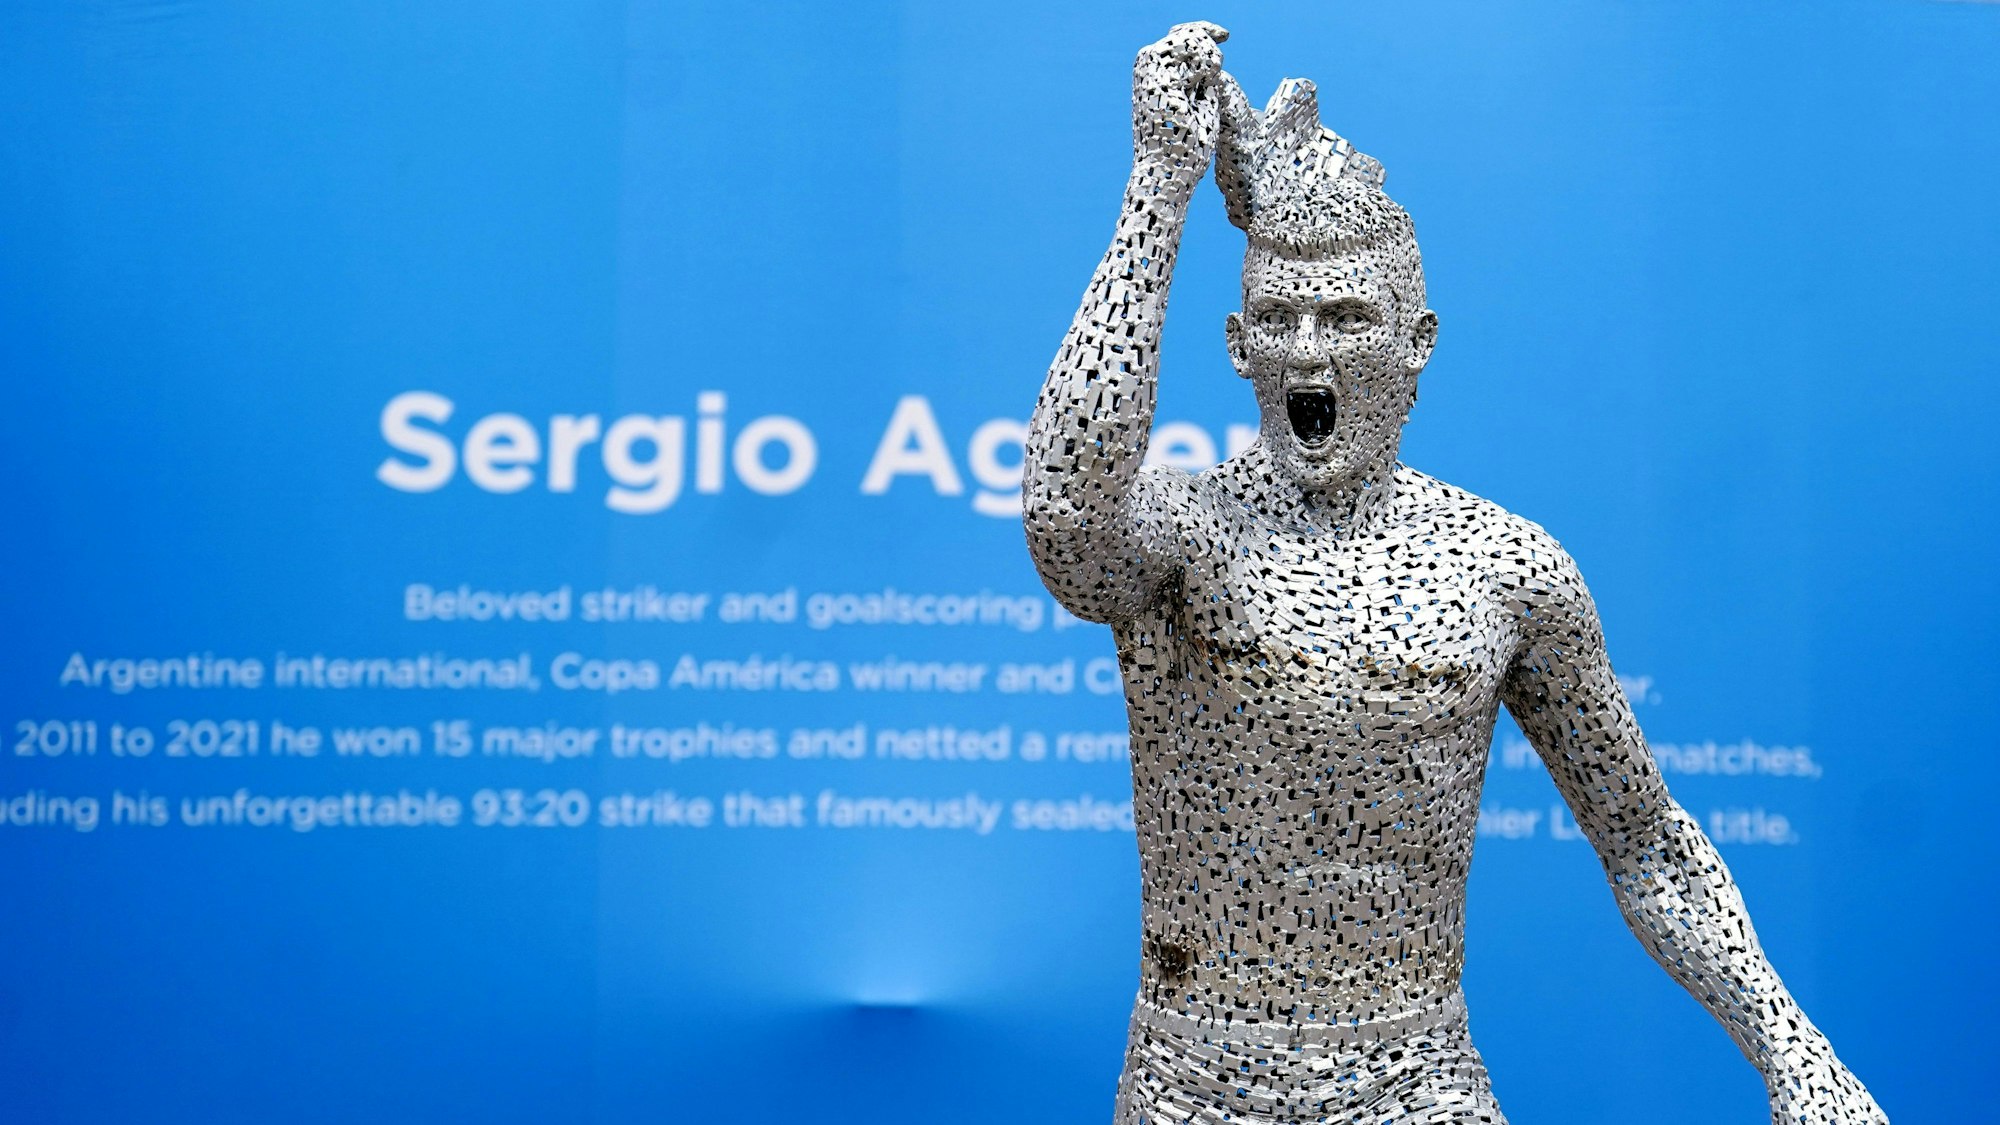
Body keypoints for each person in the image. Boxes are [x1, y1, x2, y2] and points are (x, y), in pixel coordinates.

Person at [1022, 22, 1886, 1125]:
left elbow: (1648, 844)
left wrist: (1790, 1050)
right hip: (1197, 1081)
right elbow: (1062, 517)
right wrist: (1157, 185)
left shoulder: (1504, 569)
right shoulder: (1183, 532)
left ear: (1416, 338)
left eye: (1344, 317)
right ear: (1237, 346)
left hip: (1413, 1077)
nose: (1308, 350)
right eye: (1278, 321)